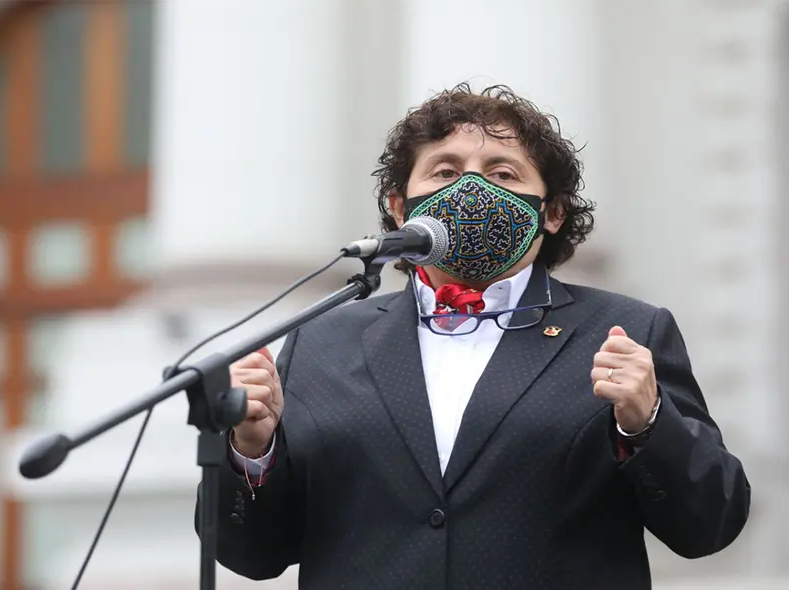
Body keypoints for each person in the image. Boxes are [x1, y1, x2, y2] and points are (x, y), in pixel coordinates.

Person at [195, 83, 750, 589]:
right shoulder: (321, 340)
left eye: (503, 173)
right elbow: (253, 555)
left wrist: (648, 422)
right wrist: (251, 449)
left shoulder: (623, 332)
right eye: (444, 171)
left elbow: (709, 525)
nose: (471, 190)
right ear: (398, 207)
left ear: (551, 213)